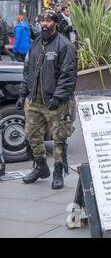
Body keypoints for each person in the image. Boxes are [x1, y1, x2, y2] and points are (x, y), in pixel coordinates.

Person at [16, 10, 77, 190]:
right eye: (42, 20)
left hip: (55, 102)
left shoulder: (64, 45)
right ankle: (41, 167)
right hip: (34, 100)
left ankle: (58, 172)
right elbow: (27, 71)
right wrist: (22, 95)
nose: (44, 23)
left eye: (48, 20)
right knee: (32, 135)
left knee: (59, 138)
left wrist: (58, 98)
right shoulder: (35, 44)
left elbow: (68, 76)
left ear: (55, 23)